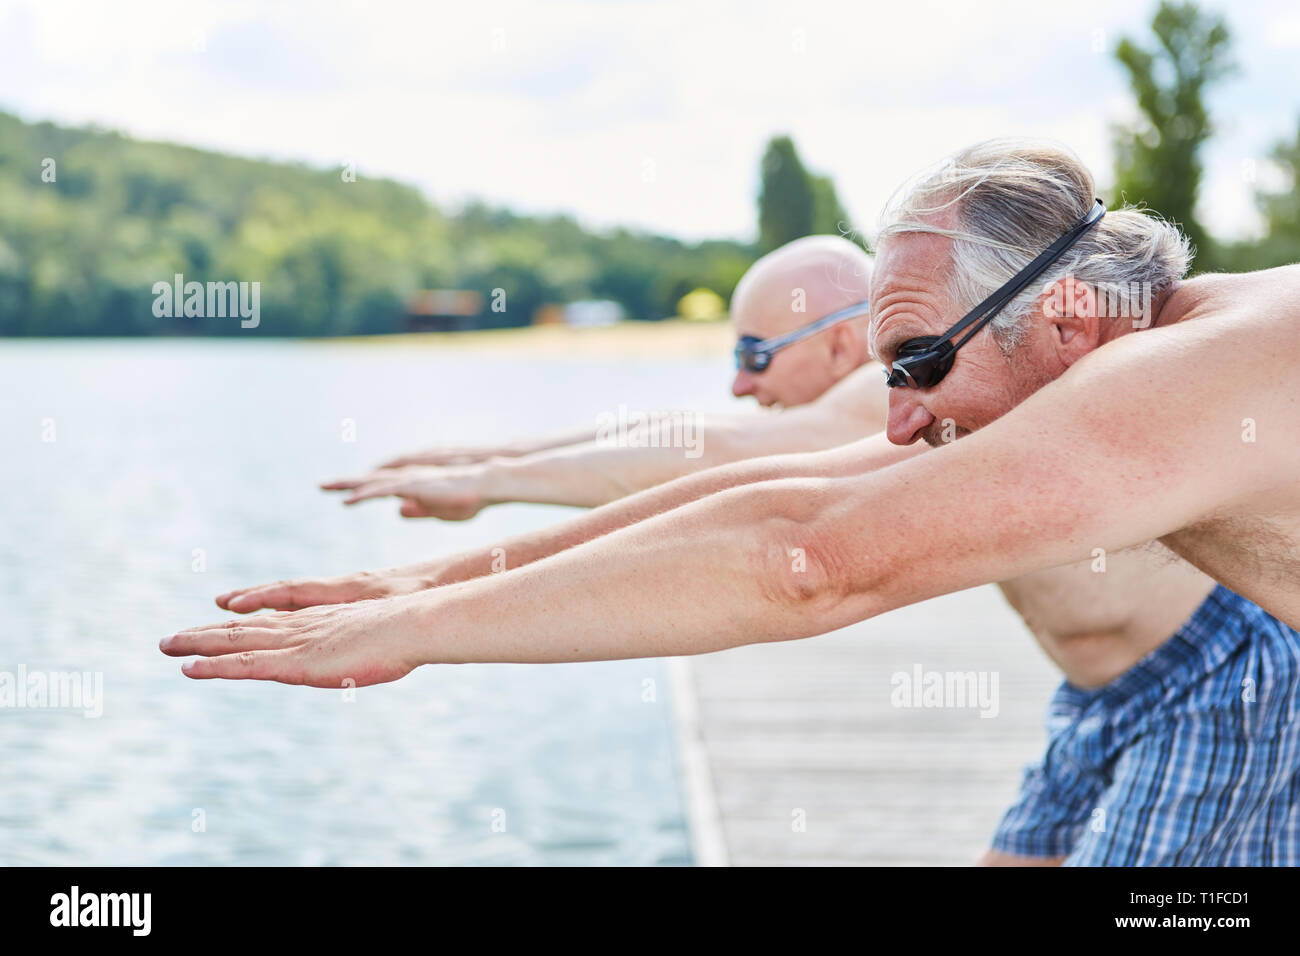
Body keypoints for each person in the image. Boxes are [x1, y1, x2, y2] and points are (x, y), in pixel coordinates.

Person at [163, 139, 1300, 865]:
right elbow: (777, 491)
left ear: (1066, 319)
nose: (894, 417)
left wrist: (416, 630)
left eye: (911, 365)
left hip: (1225, 680)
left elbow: (804, 554)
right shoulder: (1120, 370)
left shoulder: (1168, 382)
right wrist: (415, 583)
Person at [320, 234, 885, 517]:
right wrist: (489, 456)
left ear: (840, 347)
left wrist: (490, 482)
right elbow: (688, 428)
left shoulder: (893, 384)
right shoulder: (884, 396)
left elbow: (715, 447)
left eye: (754, 356)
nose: (739, 385)